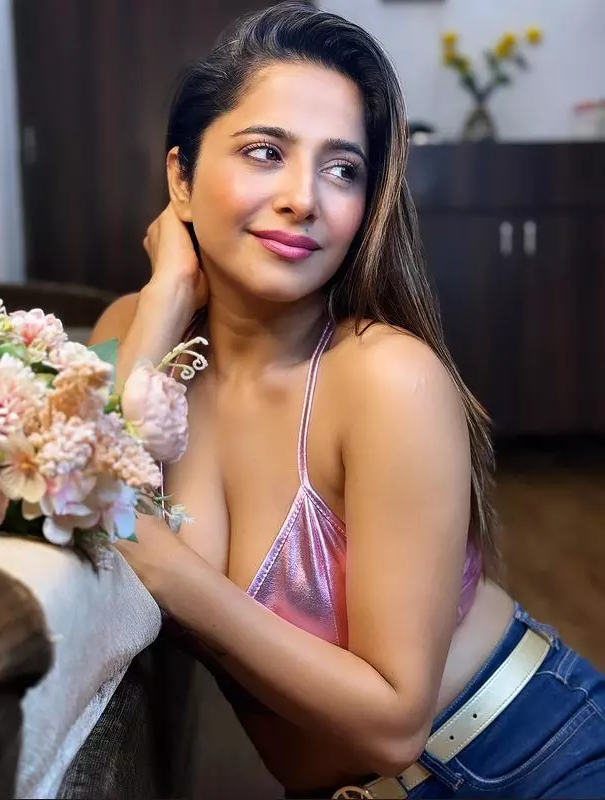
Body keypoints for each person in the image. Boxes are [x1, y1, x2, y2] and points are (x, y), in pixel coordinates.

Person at [90, 4, 605, 797]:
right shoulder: (134, 331)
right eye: (266, 152)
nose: (304, 198)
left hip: (528, 759)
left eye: (342, 170)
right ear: (181, 178)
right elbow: (73, 489)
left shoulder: (386, 378)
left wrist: (168, 570)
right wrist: (166, 293)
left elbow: (394, 724)